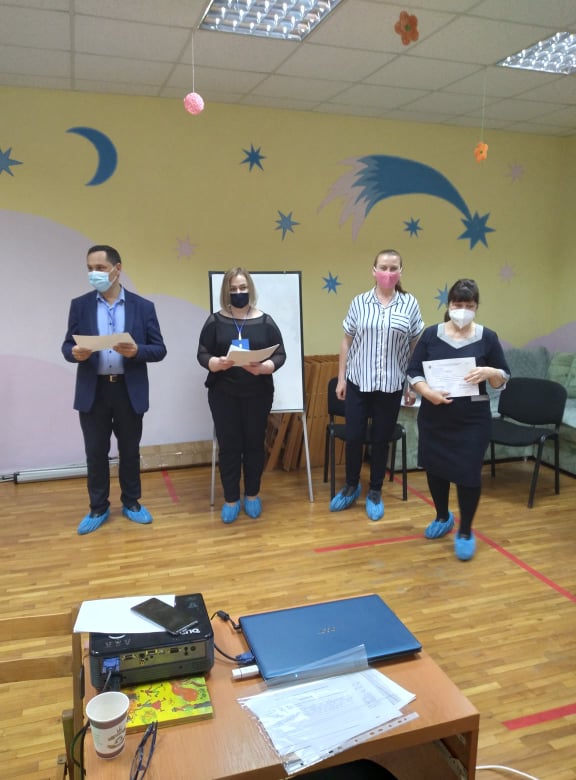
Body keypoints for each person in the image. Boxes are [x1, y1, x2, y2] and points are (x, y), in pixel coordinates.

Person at [62, 245, 167, 535]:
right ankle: (98, 507)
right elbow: (67, 346)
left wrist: (137, 351)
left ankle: (132, 503)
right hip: (93, 391)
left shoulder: (143, 307)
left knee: (129, 451)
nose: (94, 274)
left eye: (100, 268)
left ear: (117, 269)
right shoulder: (80, 305)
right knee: (95, 452)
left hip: (127, 390)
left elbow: (159, 349)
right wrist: (74, 353)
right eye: (89, 269)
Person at [406, 278, 510, 561]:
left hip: (472, 420)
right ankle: (442, 516)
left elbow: (503, 378)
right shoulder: (431, 335)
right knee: (435, 468)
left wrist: (489, 372)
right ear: (449, 305)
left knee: (468, 473)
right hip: (435, 416)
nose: (462, 310)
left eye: (469, 305)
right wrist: (427, 392)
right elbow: (413, 371)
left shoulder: (488, 337)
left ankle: (465, 531)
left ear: (476, 307)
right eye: (457, 304)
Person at [331, 249, 424, 521]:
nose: (388, 272)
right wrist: (341, 377)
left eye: (393, 268)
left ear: (400, 272)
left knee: (381, 440)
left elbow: (415, 345)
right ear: (374, 271)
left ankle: (375, 491)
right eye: (383, 267)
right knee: (354, 437)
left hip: (392, 385)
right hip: (359, 382)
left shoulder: (409, 304)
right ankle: (351, 486)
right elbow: (346, 341)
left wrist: (411, 385)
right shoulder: (359, 302)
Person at [197, 267, 286, 523]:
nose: (238, 293)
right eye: (233, 289)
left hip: (258, 394)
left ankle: (252, 495)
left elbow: (280, 354)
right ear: (227, 291)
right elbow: (202, 353)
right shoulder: (215, 321)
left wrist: (266, 367)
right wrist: (214, 363)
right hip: (223, 394)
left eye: (243, 288)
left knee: (254, 444)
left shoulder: (265, 322)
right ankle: (231, 499)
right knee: (229, 446)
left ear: (250, 289)